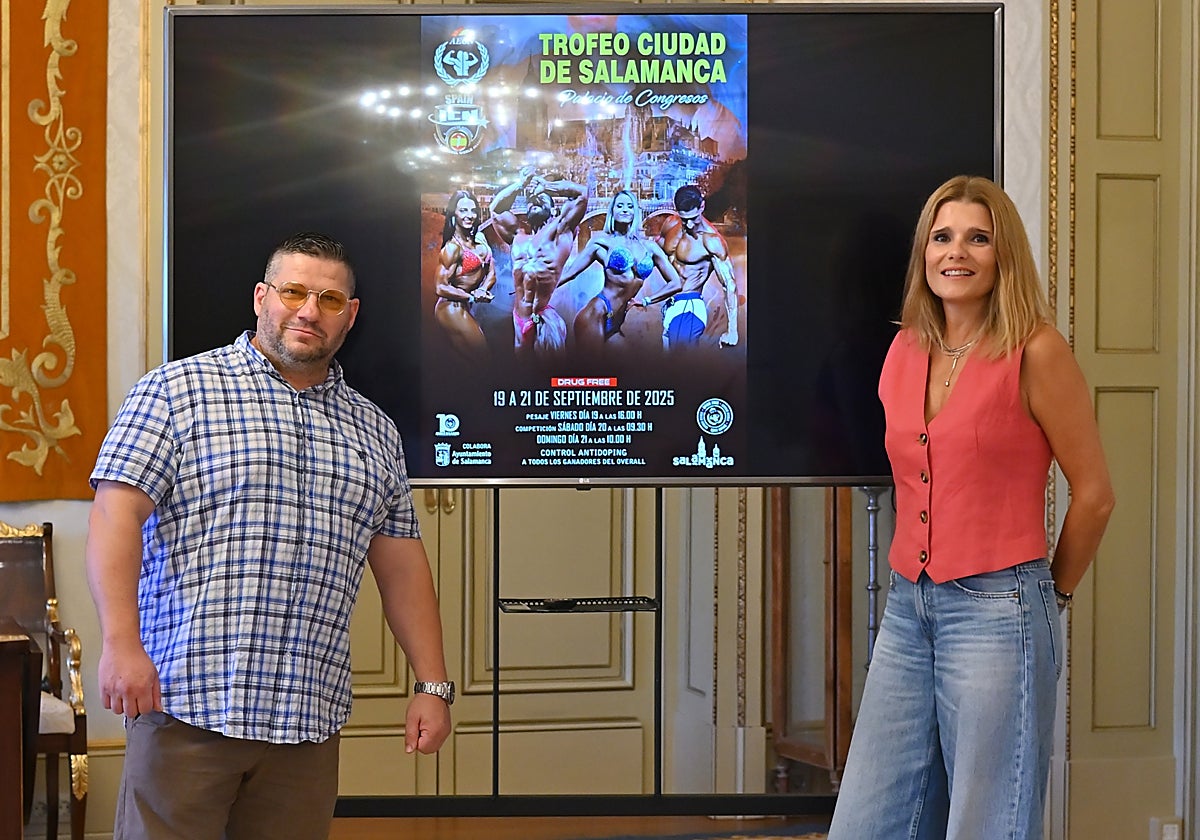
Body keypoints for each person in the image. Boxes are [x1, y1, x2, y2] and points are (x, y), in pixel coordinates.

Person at [86, 232, 453, 840]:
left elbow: (402, 565)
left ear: (350, 316)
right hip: (186, 709)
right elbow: (113, 516)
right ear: (261, 298)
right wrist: (120, 644)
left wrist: (432, 685)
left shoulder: (376, 432)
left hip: (306, 726)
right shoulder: (177, 393)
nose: (310, 311)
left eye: (330, 300)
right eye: (293, 292)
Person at [827, 176, 1114, 840]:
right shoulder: (903, 350)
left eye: (978, 238)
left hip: (999, 609)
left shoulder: (1037, 351)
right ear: (924, 252)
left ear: (1002, 254)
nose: (957, 252)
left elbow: (1095, 495)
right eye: (943, 236)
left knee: (985, 824)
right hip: (908, 608)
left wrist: (1051, 598)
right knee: (868, 823)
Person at [558, 188, 682, 358]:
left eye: (630, 206)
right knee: (591, 377)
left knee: (626, 374)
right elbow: (570, 274)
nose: (625, 209)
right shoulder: (602, 242)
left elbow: (676, 283)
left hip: (616, 322)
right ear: (612, 211)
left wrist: (646, 301)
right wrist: (540, 294)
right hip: (596, 313)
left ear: (635, 212)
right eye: (620, 206)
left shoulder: (649, 247)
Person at [489, 167, 587, 359]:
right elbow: (496, 210)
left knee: (549, 377)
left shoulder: (560, 231)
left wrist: (545, 186)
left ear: (552, 209)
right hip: (519, 318)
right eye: (532, 200)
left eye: (541, 199)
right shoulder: (517, 237)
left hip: (545, 319)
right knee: (524, 377)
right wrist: (521, 185)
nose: (535, 200)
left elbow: (582, 194)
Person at [649, 184, 740, 348]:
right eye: (685, 219)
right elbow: (655, 256)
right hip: (670, 306)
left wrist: (732, 330)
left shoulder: (711, 241)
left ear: (702, 206)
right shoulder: (670, 224)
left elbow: (729, 284)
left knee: (680, 368)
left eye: (694, 218)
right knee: (668, 369)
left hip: (689, 306)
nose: (689, 225)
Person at [434, 190, 496, 362]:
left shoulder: (481, 238)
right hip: (450, 308)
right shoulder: (452, 248)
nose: (470, 216)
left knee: (471, 362)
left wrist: (482, 289)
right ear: (454, 213)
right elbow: (440, 287)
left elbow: (491, 272)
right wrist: (472, 297)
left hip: (465, 306)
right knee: (483, 358)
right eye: (463, 211)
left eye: (473, 210)